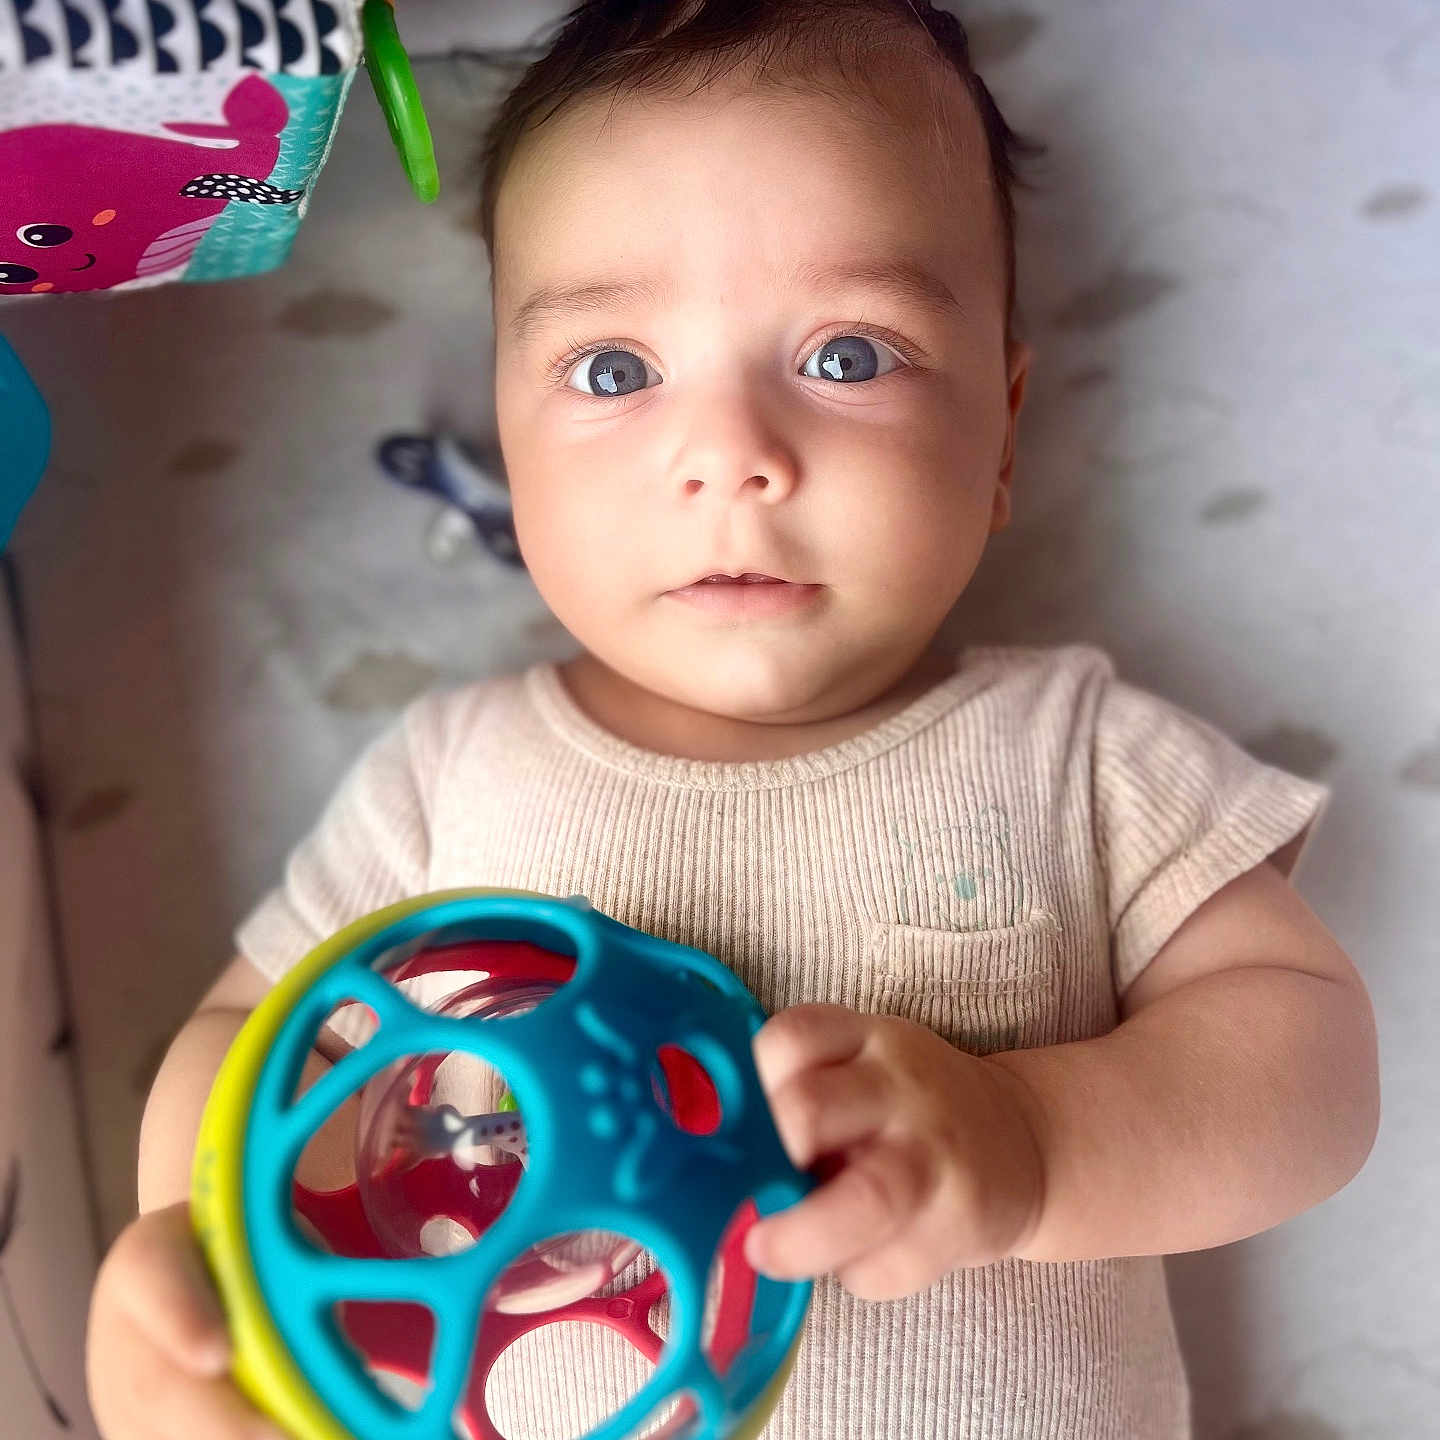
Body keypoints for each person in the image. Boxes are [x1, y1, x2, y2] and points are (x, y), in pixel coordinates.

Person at [85, 3, 1381, 1437]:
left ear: (1003, 434)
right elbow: (255, 1039)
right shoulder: (452, 775)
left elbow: (1304, 1062)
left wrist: (1034, 1141)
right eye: (614, 372)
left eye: (845, 356)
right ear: (513, 453)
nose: (732, 456)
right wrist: (208, 1265)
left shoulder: (1073, 751)